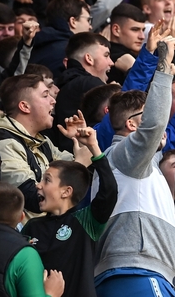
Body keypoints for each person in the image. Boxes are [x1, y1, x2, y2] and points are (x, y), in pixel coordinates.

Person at [91, 35, 175, 297]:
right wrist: (164, 66)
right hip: (136, 272)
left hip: (135, 272)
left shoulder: (125, 160)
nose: (161, 120)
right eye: (149, 112)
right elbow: (154, 127)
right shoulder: (123, 156)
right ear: (132, 125)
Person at [23, 127, 118, 297]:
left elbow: (109, 190)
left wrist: (94, 147)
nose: (39, 185)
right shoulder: (31, 227)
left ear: (66, 191)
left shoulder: (85, 221)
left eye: (47, 180)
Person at [0, 74, 87, 217]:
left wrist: (81, 141)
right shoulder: (3, 144)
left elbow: (84, 175)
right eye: (45, 96)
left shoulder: (40, 140)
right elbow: (34, 200)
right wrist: (80, 164)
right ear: (25, 106)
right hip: (26, 236)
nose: (53, 101)